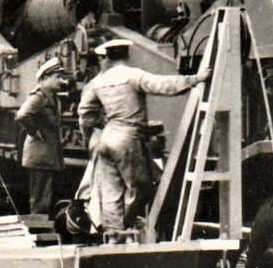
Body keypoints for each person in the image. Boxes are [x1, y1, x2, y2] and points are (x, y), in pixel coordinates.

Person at [77, 39, 209, 240]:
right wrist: (195, 79)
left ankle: (113, 236)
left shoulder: (98, 82)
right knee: (141, 189)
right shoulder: (133, 76)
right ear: (127, 55)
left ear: (109, 57)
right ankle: (127, 225)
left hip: (106, 139)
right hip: (128, 139)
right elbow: (164, 85)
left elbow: (84, 114)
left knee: (111, 192)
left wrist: (98, 130)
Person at [14, 55, 65, 218]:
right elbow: (22, 114)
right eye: (57, 77)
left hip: (46, 154)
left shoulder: (49, 96)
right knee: (40, 195)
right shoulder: (39, 96)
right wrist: (34, 132)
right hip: (39, 153)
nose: (61, 81)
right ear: (45, 78)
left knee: (44, 193)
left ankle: (42, 224)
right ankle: (38, 226)